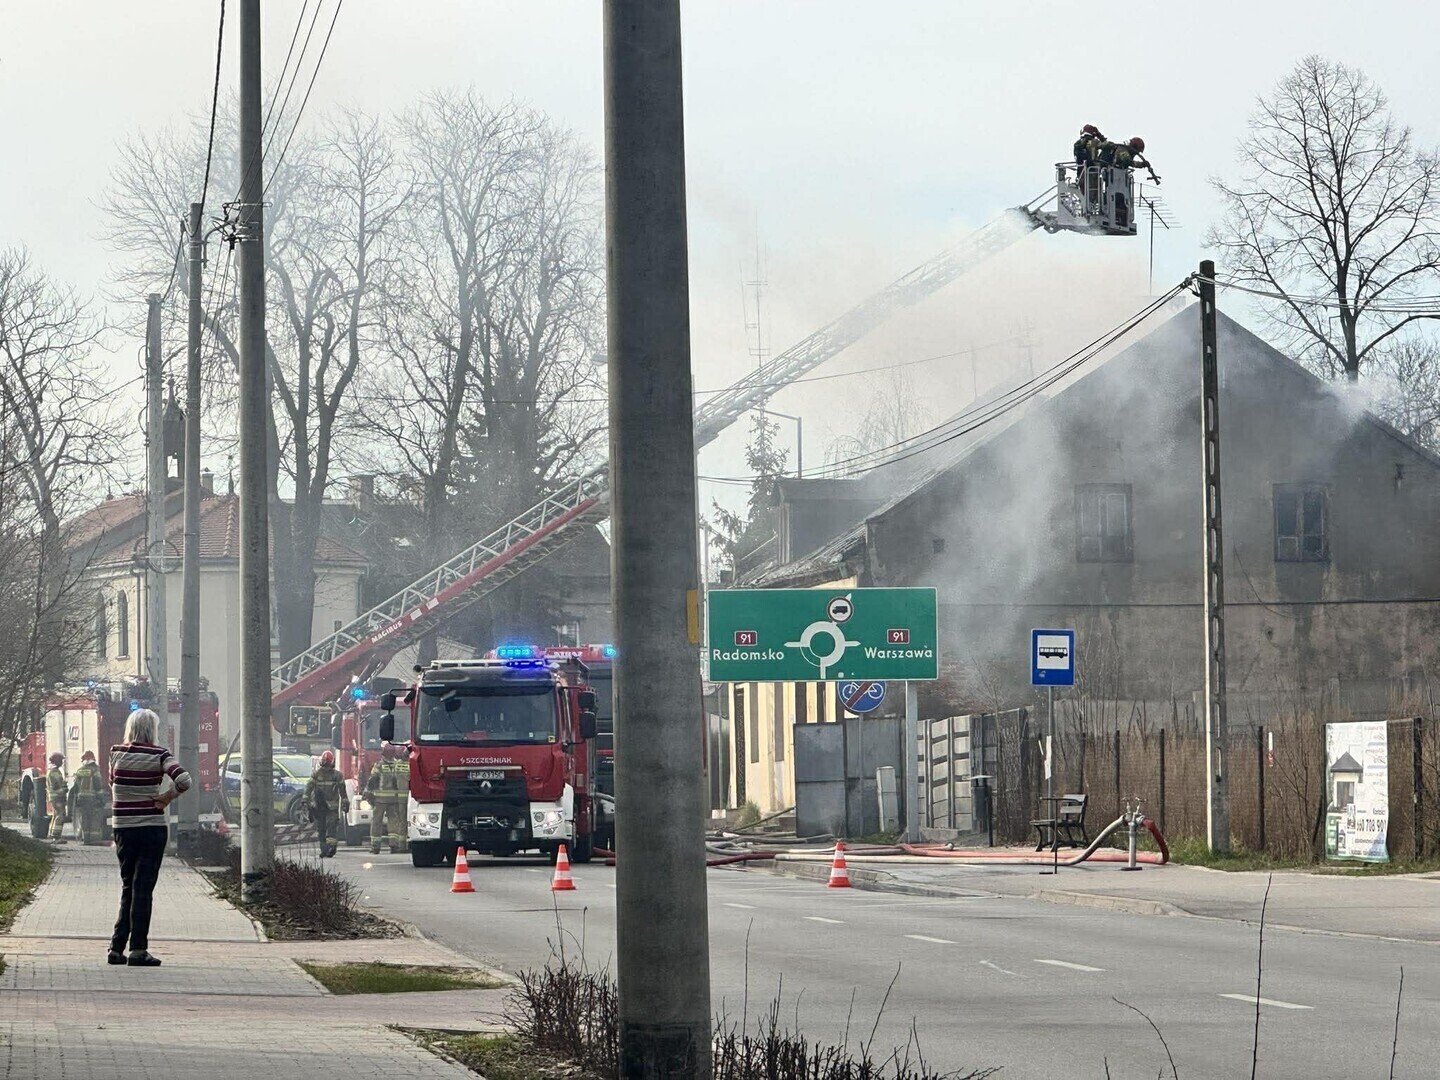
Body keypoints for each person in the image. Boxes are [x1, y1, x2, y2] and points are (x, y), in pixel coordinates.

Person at [107, 708, 191, 968]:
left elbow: (113, 783)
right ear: (152, 730)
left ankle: (116, 947)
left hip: (123, 829)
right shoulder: (159, 754)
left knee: (128, 887)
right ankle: (138, 950)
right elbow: (185, 779)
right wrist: (167, 796)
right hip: (151, 828)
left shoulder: (115, 753)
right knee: (143, 889)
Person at [365, 743, 409, 855]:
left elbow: (373, 780)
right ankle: (393, 845)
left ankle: (375, 846)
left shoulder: (379, 765)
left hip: (380, 799)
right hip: (394, 799)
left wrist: (368, 792)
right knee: (393, 822)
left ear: (383, 753)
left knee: (376, 822)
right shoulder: (397, 765)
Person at [306, 750, 346, 858]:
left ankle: (328, 849)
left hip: (324, 807)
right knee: (326, 828)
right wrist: (345, 803)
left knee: (324, 829)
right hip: (324, 807)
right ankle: (327, 849)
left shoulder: (321, 774)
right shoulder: (336, 775)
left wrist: (305, 800)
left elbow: (308, 789)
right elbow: (343, 792)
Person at [70, 750, 108, 845]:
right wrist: (101, 799)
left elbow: (76, 787)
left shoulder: (80, 770)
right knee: (93, 818)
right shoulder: (95, 770)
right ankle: (94, 839)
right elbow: (98, 786)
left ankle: (86, 838)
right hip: (92, 799)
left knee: (84, 818)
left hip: (81, 799)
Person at [46, 753, 68, 843]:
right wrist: (65, 787)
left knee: (55, 815)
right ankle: (56, 836)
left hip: (54, 797)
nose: (62, 762)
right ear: (57, 761)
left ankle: (52, 835)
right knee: (60, 815)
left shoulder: (52, 771)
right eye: (61, 760)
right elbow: (56, 786)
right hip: (57, 797)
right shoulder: (54, 772)